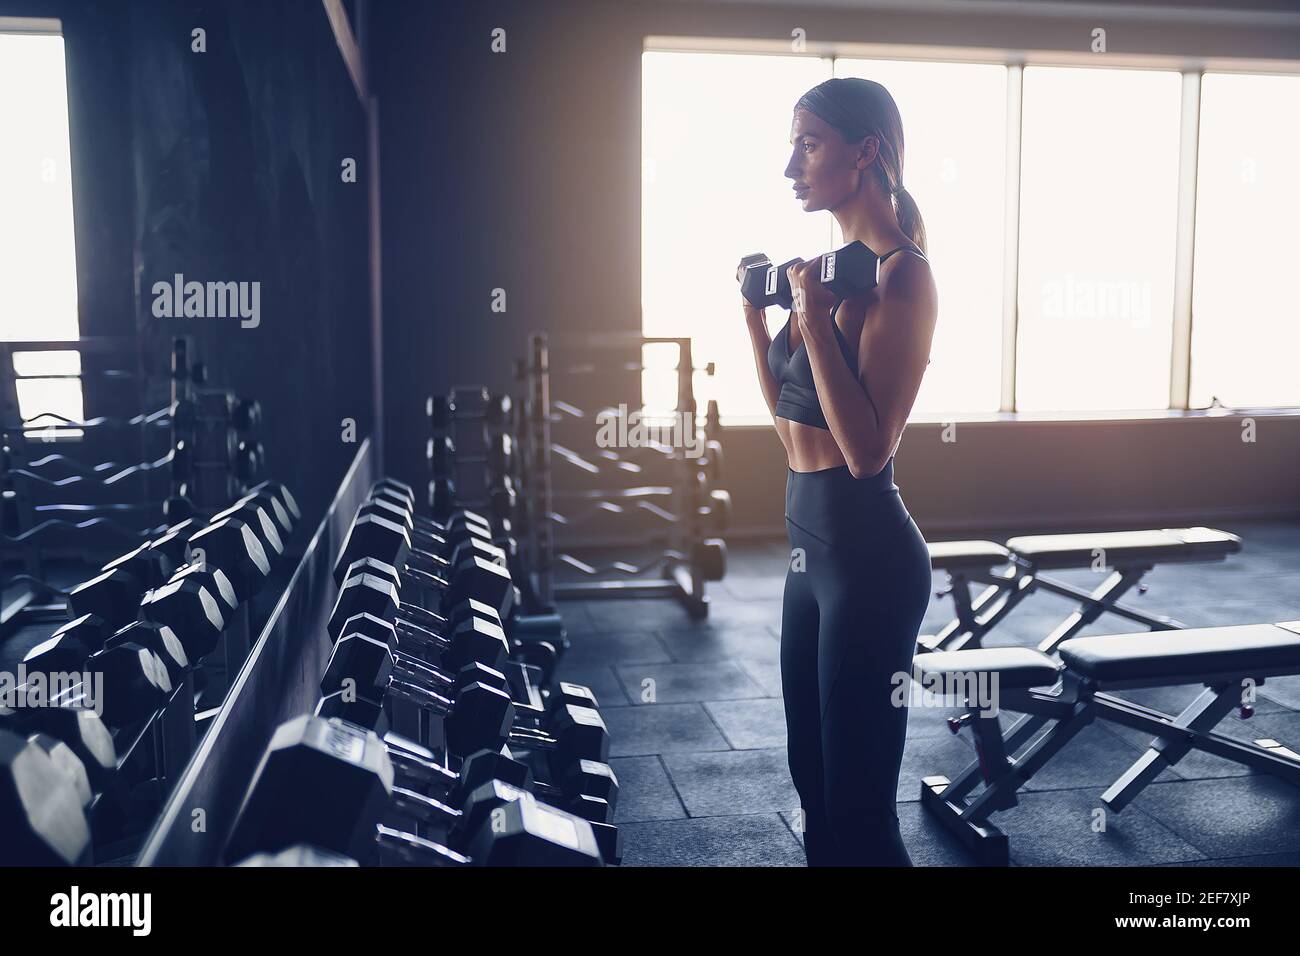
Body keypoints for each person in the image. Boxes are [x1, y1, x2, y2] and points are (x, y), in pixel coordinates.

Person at [742, 77, 938, 866]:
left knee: (857, 803)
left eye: (808, 143)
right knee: (812, 784)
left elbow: (867, 452)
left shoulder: (902, 275)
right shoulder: (823, 272)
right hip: (806, 552)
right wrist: (760, 325)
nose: (791, 165)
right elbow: (793, 427)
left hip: (867, 558)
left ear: (865, 153)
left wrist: (813, 318)